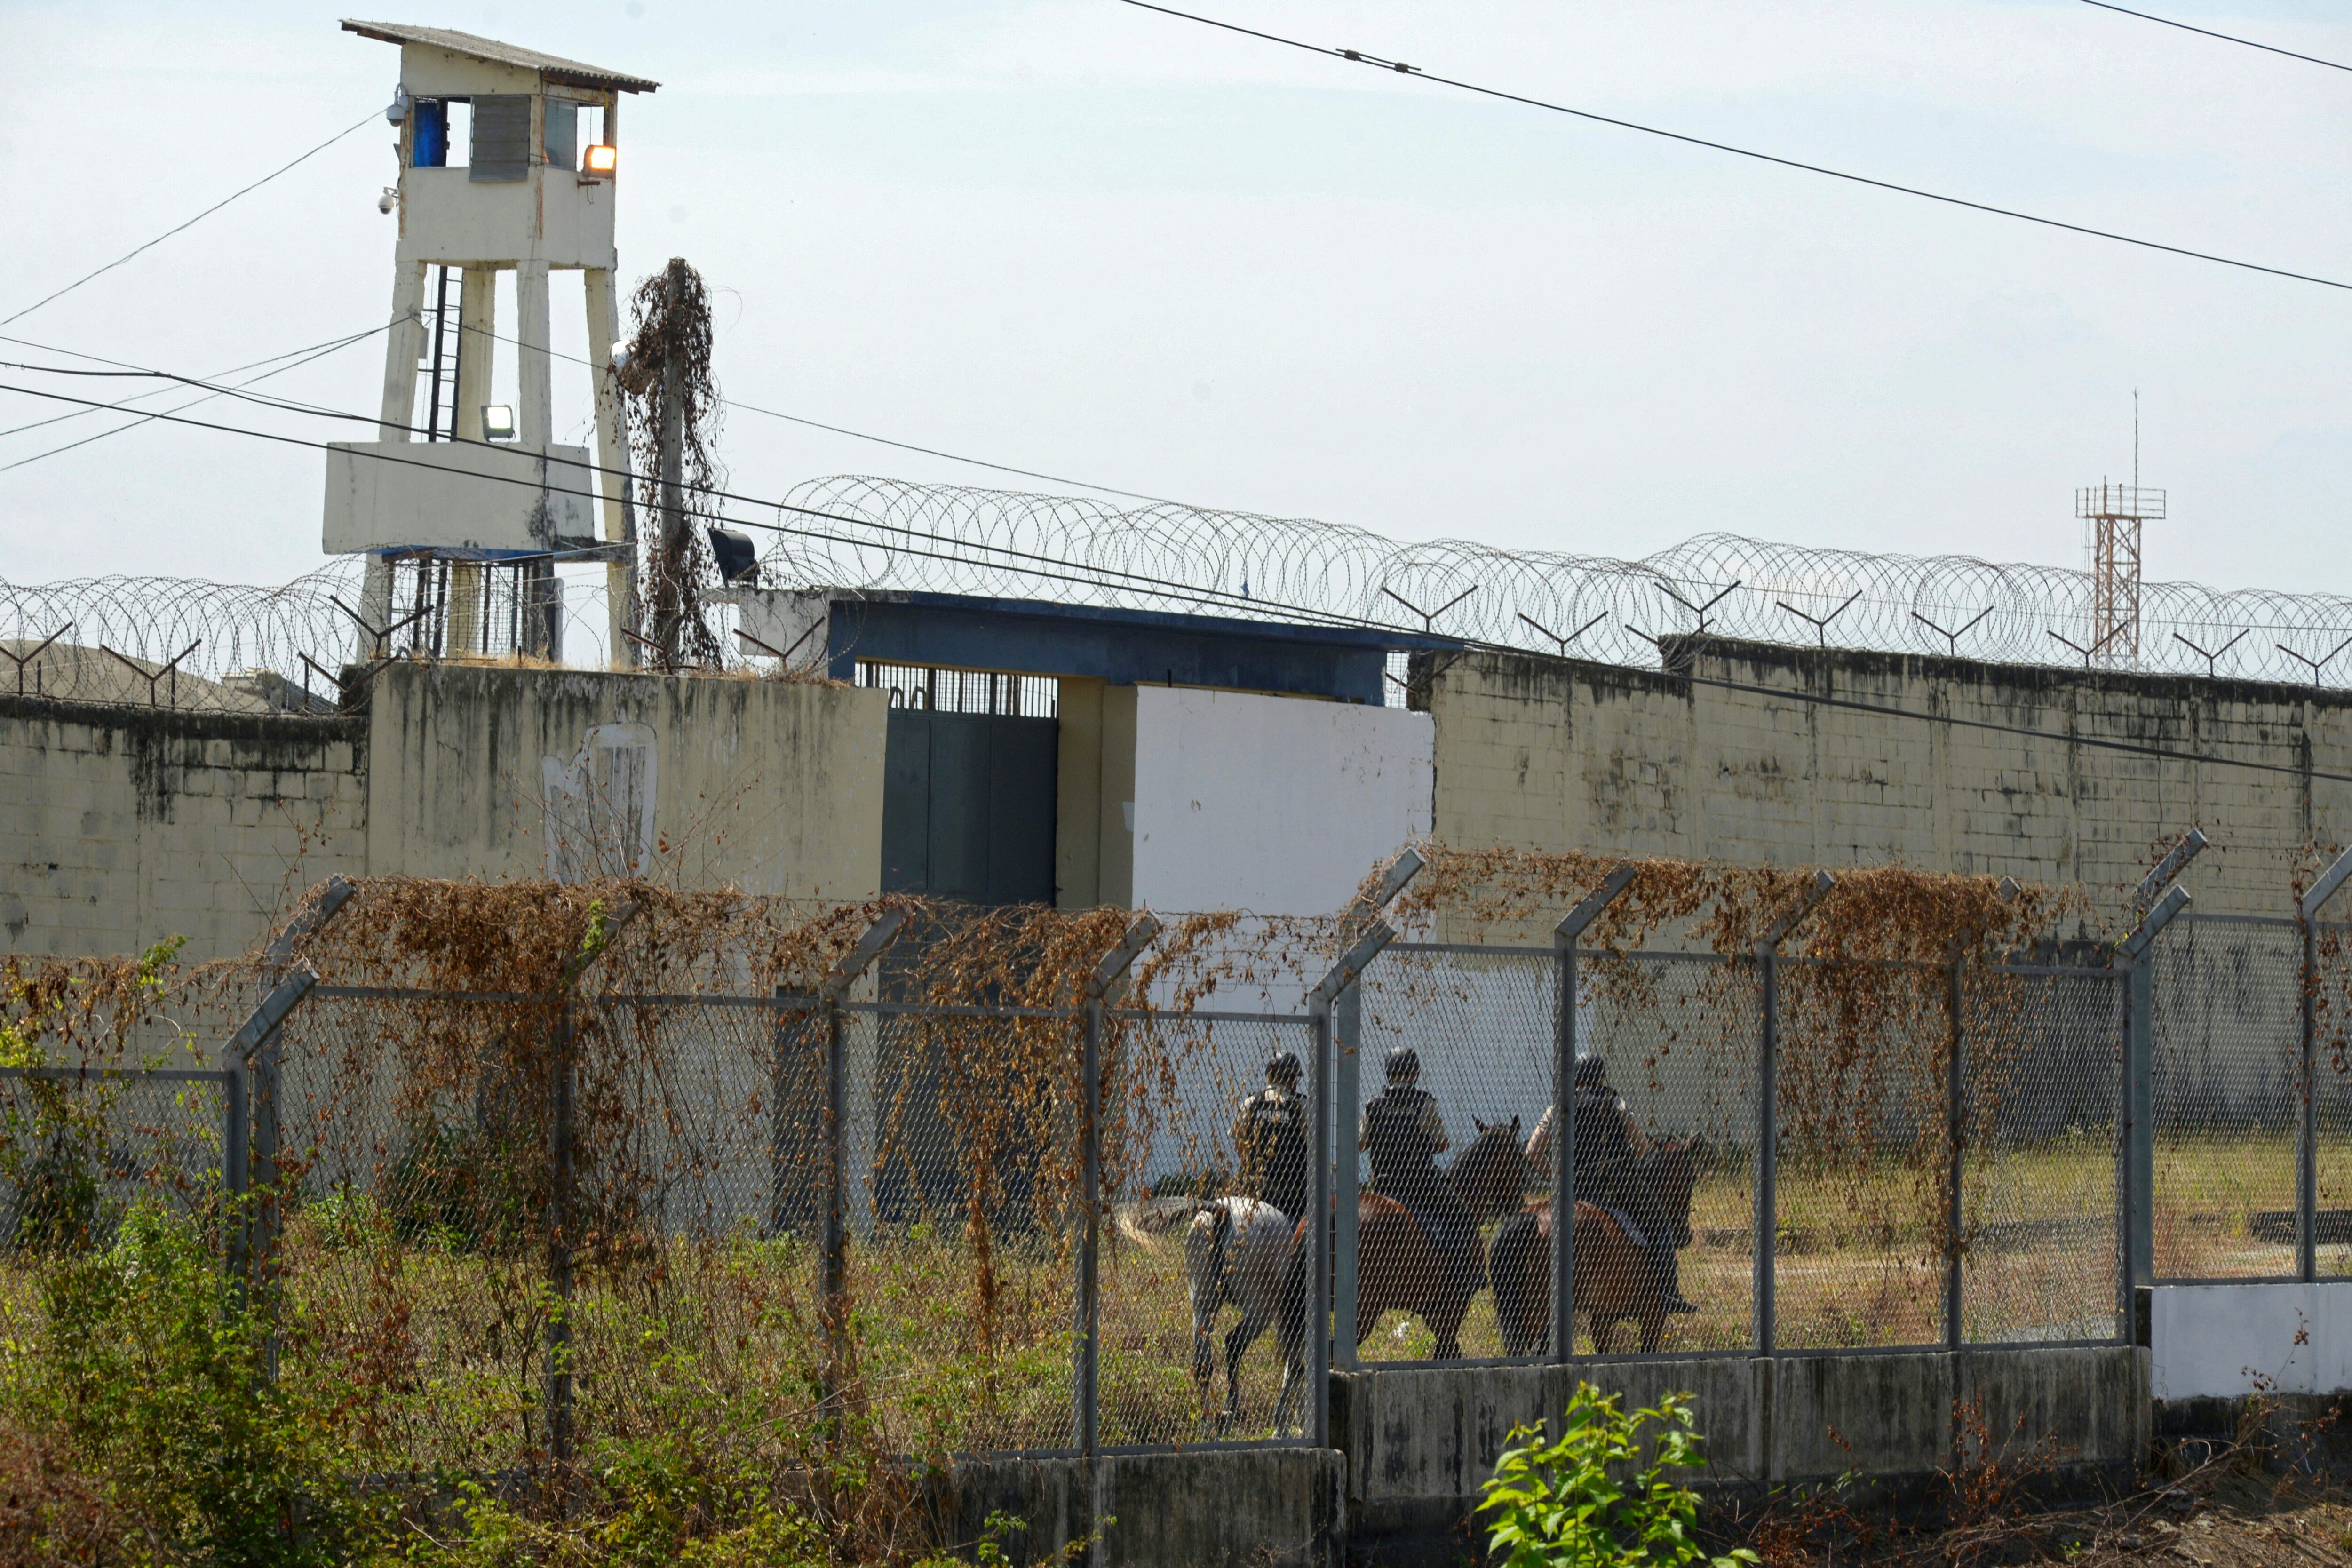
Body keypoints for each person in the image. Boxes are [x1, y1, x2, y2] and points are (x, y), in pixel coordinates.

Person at [1526, 1056, 1695, 1315]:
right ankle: (1668, 1292)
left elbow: (1533, 1151)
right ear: (1601, 1078)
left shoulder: (1560, 1106)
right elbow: (1642, 1149)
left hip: (1573, 1188)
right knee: (1661, 1224)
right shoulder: (1615, 1102)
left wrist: (1559, 1178)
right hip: (1614, 1186)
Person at [1359, 1046, 1479, 1296]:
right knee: (1463, 1218)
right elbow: (1443, 1143)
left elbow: (1361, 1144)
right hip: (1420, 1184)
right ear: (1414, 1073)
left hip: (1383, 1185)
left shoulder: (1373, 1105)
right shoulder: (1425, 1102)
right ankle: (1462, 1276)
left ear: (1389, 1072)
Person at [1232, 1050, 1310, 1221]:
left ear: (1270, 1075)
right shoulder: (1301, 1105)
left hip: (1254, 1193)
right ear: (1293, 1079)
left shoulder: (1251, 1102)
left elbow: (1239, 1146)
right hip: (1292, 1198)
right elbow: (1315, 1148)